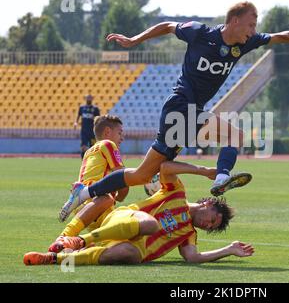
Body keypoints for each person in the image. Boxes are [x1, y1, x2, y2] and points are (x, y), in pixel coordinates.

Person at [58, 1, 289, 222]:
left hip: (187, 111)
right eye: (251, 23)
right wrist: (134, 40)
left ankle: (85, 192)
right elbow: (167, 26)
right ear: (234, 20)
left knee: (143, 175)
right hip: (180, 104)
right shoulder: (200, 33)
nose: (254, 29)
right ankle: (222, 177)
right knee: (236, 137)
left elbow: (279, 36)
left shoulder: (245, 43)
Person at [24, 161, 254, 265]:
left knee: (130, 255)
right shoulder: (177, 193)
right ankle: (75, 239)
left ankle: (56, 258)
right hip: (125, 219)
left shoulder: (188, 234)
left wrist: (229, 250)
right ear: (206, 203)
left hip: (131, 247)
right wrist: (203, 171)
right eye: (212, 218)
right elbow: (165, 167)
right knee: (148, 223)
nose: (208, 224)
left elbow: (193, 257)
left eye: (212, 227)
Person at [56, 115, 129, 245]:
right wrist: (120, 196)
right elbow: (121, 176)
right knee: (131, 237)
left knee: (104, 245)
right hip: (100, 202)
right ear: (107, 132)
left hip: (84, 208)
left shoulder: (89, 151)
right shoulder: (108, 144)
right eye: (120, 133)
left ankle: (72, 245)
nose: (122, 138)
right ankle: (63, 240)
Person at [75, 94, 101, 159]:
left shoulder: (95, 108)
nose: (89, 99)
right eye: (87, 97)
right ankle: (83, 159)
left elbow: (98, 119)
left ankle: (92, 159)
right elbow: (78, 115)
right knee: (83, 146)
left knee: (93, 146)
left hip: (92, 131)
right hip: (84, 131)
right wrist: (76, 122)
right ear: (85, 98)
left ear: (92, 99)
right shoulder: (82, 108)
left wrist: (94, 119)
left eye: (90, 98)